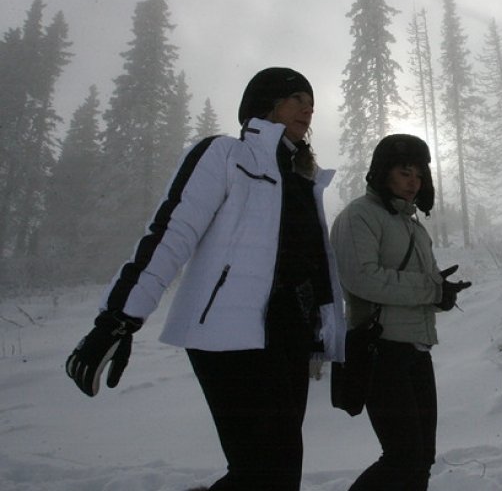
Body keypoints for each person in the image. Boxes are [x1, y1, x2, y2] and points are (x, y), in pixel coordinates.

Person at [65, 67, 346, 490]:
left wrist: (332, 336)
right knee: (263, 473)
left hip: (287, 338)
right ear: (265, 104)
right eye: (296, 98)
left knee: (275, 476)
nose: (308, 108)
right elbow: (170, 233)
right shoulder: (225, 155)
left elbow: (312, 269)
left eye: (311, 103)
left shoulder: (302, 179)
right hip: (226, 336)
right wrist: (118, 318)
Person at [331, 134, 471, 491]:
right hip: (381, 351)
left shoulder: (412, 224)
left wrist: (441, 294)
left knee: (421, 459)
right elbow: (362, 278)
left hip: (416, 350)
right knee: (402, 457)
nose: (414, 182)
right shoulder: (359, 216)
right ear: (383, 173)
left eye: (419, 176)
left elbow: (422, 281)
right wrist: (430, 289)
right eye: (405, 173)